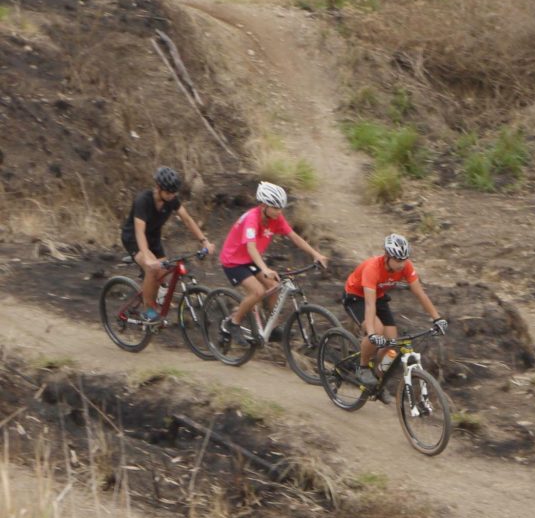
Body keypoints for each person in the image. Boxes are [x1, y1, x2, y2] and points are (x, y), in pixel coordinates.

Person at [217, 181, 328, 343]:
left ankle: (273, 328)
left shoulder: (276, 218)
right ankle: (233, 323)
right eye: (275, 208)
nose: (279, 212)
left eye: (281, 208)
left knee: (274, 286)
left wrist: (315, 254)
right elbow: (251, 248)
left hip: (249, 260)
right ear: (263, 205)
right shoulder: (251, 219)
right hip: (233, 261)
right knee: (257, 291)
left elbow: (294, 237)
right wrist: (264, 268)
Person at [342, 233, 447, 404]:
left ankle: (377, 381)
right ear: (387, 257)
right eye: (398, 260)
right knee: (377, 332)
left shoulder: (405, 266)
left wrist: (437, 318)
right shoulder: (372, 268)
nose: (402, 264)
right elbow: (369, 305)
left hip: (379, 295)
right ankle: (362, 367)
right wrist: (371, 333)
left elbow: (420, 293)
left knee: (392, 345)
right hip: (356, 296)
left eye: (404, 260)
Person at [121, 166, 215, 322]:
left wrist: (204, 241)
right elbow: (139, 232)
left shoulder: (171, 200)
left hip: (153, 238)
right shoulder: (142, 201)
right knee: (153, 268)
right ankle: (149, 311)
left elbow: (187, 219)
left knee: (165, 272)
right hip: (134, 238)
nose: (172, 196)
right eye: (168, 193)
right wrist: (147, 258)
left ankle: (155, 297)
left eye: (174, 193)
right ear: (158, 188)